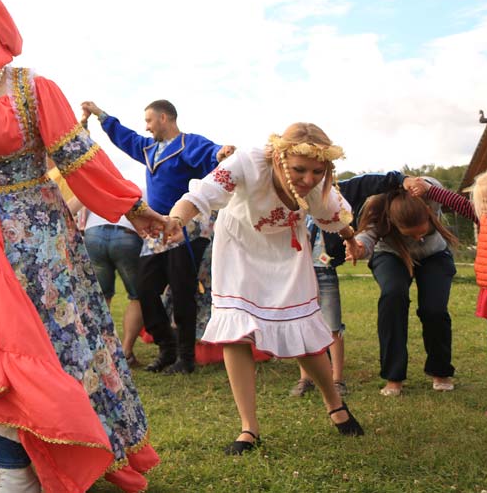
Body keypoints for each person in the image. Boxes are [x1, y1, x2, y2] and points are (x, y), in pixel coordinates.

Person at [0, 0, 163, 493]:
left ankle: (51, 457)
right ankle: (14, 469)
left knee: (45, 347)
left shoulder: (33, 89)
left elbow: (78, 156)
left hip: (37, 241)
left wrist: (132, 207)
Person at [166, 123, 364, 455]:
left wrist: (352, 241)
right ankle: (249, 428)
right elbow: (202, 194)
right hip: (239, 249)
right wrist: (176, 220)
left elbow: (336, 217)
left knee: (302, 332)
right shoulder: (247, 163)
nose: (309, 179)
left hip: (286, 254)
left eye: (317, 171)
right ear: (280, 158)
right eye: (299, 170)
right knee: (236, 331)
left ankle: (335, 403)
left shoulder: (318, 186)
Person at [81, 99, 233, 374]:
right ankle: (167, 346)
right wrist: (101, 115)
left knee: (182, 289)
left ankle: (186, 358)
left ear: (164, 118)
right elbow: (126, 137)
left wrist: (220, 153)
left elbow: (211, 153)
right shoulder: (149, 149)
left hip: (186, 228)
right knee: (145, 288)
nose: (147, 127)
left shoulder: (188, 144)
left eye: (149, 121)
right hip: (156, 229)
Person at [409, 171, 487, 416]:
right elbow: (459, 203)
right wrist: (430, 189)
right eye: (480, 202)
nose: (481, 207)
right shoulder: (484, 219)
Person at [288, 171, 407, 398]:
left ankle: (337, 380)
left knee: (332, 326)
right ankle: (305, 378)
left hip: (325, 271)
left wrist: (400, 180)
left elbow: (370, 182)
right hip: (299, 273)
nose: (310, 178)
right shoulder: (291, 196)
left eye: (317, 172)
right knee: (302, 324)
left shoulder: (338, 192)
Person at [346, 180, 459, 396]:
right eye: (411, 235)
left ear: (428, 212)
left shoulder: (430, 197)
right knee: (393, 296)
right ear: (393, 223)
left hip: (434, 255)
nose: (419, 238)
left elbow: (442, 191)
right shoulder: (378, 208)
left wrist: (425, 185)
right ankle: (393, 377)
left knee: (434, 310)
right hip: (391, 254)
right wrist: (359, 248)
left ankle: (440, 371)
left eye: (422, 232)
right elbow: (366, 236)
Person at [81, 206, 144, 367]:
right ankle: (126, 352)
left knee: (100, 296)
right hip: (128, 232)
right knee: (138, 296)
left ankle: (98, 351)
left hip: (94, 230)